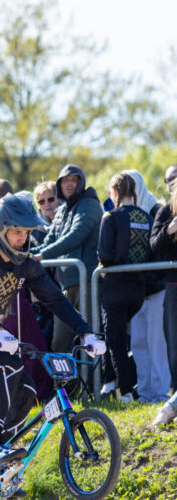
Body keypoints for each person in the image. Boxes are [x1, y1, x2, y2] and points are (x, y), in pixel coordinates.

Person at [0, 194, 104, 465]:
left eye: (27, 232)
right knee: (9, 366)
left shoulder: (26, 263)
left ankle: (0, 464)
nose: (23, 239)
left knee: (26, 389)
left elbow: (56, 300)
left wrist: (86, 332)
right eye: (17, 232)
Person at [33, 164, 102, 353]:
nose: (70, 184)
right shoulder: (62, 211)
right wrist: (25, 255)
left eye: (74, 180)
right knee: (59, 344)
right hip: (65, 287)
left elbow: (76, 235)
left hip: (86, 282)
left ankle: (94, 383)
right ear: (60, 185)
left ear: (81, 183)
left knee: (90, 343)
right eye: (66, 181)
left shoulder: (90, 204)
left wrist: (43, 255)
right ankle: (66, 384)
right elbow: (49, 241)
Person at [97, 172, 152, 403]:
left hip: (115, 287)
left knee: (116, 340)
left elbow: (104, 254)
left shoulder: (110, 216)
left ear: (115, 192)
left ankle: (127, 392)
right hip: (138, 289)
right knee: (115, 337)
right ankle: (109, 385)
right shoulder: (147, 218)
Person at [124, 170, 169, 403]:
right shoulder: (124, 214)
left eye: (131, 188)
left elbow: (156, 248)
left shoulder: (155, 210)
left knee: (156, 343)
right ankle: (145, 392)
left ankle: (160, 392)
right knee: (138, 342)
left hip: (156, 286)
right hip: (137, 287)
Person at [150, 171, 177, 424]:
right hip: (173, 284)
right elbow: (155, 245)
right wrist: (171, 227)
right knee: (174, 346)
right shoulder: (165, 211)